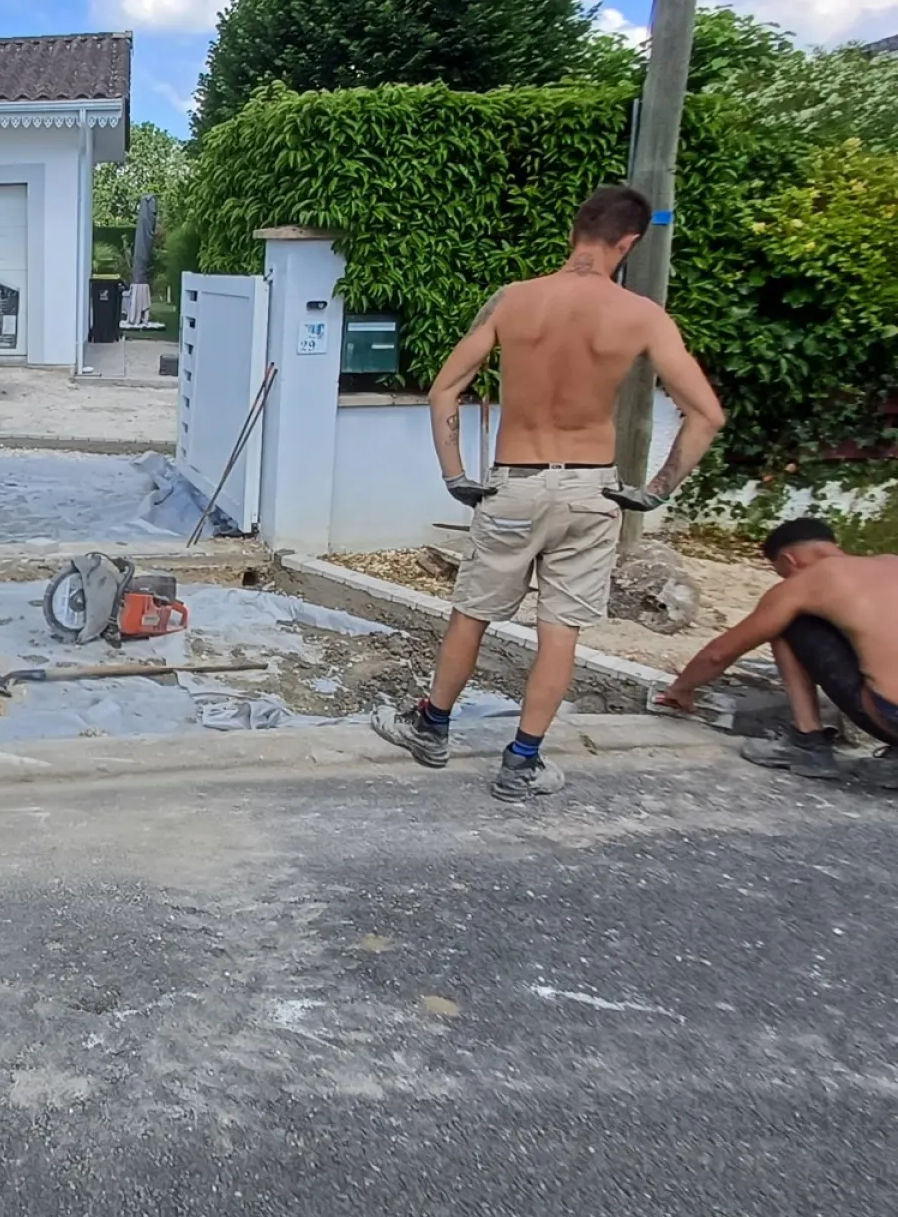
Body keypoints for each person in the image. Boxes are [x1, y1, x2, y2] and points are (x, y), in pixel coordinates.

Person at [371, 184, 727, 800]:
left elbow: (444, 391)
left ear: (575, 231)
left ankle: (431, 726)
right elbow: (706, 416)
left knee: (473, 612)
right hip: (592, 491)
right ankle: (522, 760)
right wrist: (655, 491)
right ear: (630, 242)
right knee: (560, 628)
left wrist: (456, 474)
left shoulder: (515, 301)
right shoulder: (642, 316)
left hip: (516, 480)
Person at [657, 517, 898, 784]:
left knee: (786, 621)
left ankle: (807, 742)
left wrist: (680, 689)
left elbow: (719, 653)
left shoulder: (808, 581)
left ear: (789, 560)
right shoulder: (890, 563)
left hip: (892, 716)